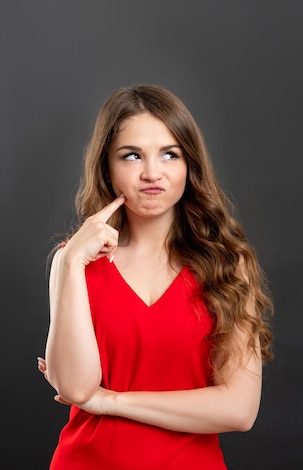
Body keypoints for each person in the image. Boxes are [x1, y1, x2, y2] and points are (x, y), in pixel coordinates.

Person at [37, 84, 274, 469]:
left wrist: (108, 401)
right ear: (107, 167)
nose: (152, 173)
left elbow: (239, 409)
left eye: (169, 154)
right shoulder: (74, 262)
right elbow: (76, 387)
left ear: (188, 165)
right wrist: (67, 265)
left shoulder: (227, 263)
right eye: (131, 156)